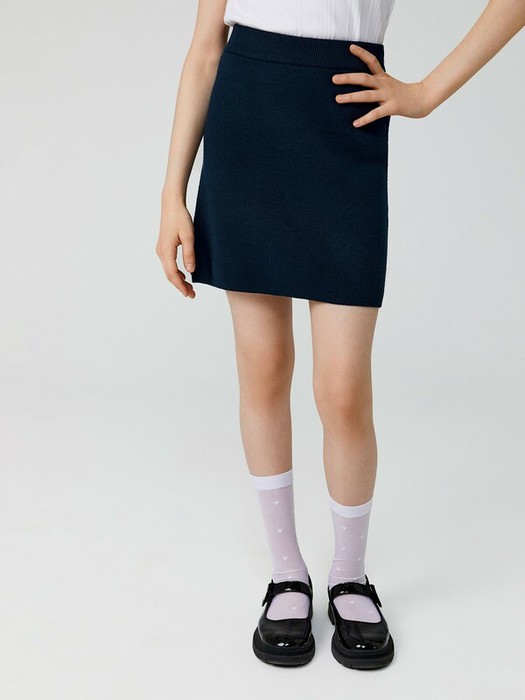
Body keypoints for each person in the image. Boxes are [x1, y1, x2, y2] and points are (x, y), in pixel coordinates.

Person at [157, 0, 525, 669]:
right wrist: (171, 195)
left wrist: (425, 93)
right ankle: (286, 575)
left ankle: (349, 575)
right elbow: (206, 48)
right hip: (247, 118)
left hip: (343, 118)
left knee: (342, 391)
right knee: (263, 365)